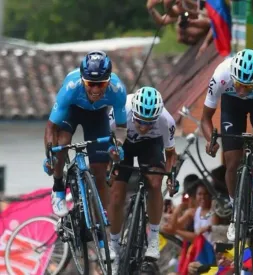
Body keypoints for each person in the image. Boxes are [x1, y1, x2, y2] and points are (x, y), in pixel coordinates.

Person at [43, 50, 126, 261]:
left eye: (101, 84)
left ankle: (100, 233)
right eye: (91, 84)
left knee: (100, 172)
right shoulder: (71, 87)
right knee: (61, 144)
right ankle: (59, 187)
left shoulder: (117, 90)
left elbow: (121, 128)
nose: (96, 89)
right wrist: (50, 155)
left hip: (98, 116)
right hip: (72, 110)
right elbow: (51, 127)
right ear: (83, 80)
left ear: (109, 81)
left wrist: (118, 146)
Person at [201, 49, 253, 242]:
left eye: (248, 86)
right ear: (233, 77)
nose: (242, 91)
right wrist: (210, 140)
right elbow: (205, 118)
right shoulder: (221, 75)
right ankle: (235, 215)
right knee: (232, 161)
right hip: (232, 107)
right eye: (239, 84)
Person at [107, 87, 177, 272]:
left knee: (155, 183)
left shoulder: (166, 121)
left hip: (150, 146)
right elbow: (108, 142)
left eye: (149, 123)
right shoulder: (119, 112)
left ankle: (153, 237)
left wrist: (170, 177)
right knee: (116, 194)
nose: (144, 127)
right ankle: (113, 244)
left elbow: (171, 155)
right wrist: (110, 165)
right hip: (124, 144)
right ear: (133, 113)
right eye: (140, 121)